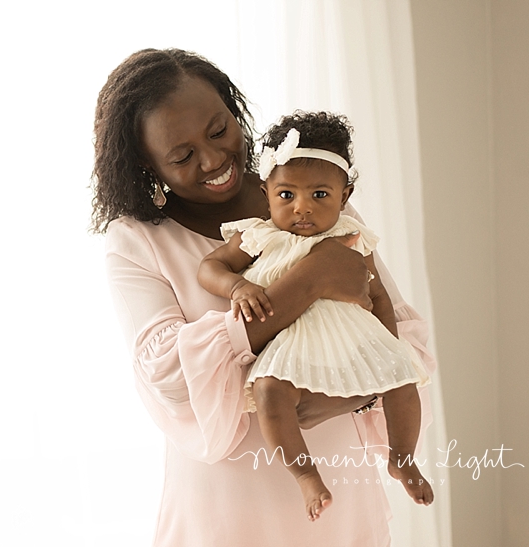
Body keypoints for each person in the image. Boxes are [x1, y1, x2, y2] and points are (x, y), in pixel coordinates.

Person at [92, 48, 436, 547]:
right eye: (183, 156)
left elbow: (404, 343)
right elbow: (169, 376)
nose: (212, 160)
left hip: (342, 500)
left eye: (218, 130)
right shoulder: (138, 241)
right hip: (226, 514)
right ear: (146, 164)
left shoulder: (311, 195)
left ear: (235, 111)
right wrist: (310, 281)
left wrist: (353, 391)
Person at [197, 111, 433, 522]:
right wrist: (237, 286)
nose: (302, 208)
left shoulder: (350, 238)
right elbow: (209, 268)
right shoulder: (258, 235)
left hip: (351, 338)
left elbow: (375, 293)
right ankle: (305, 473)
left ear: (344, 196)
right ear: (266, 192)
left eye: (319, 195)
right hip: (292, 343)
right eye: (286, 196)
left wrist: (389, 351)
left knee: (403, 379)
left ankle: (402, 457)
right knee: (270, 393)